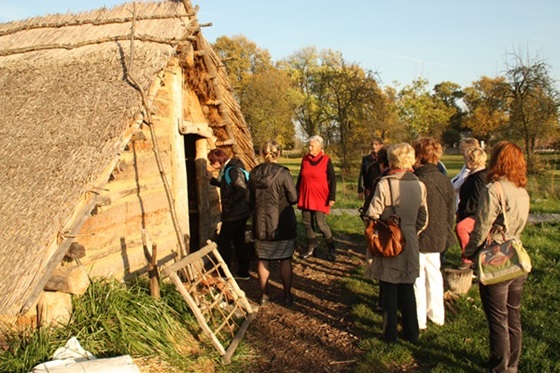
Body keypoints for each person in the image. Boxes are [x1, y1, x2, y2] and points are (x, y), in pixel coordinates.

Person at [465, 141, 530, 373]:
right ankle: (512, 364)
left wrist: (470, 251)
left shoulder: (494, 189)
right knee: (513, 313)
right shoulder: (521, 189)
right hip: (517, 255)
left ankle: (499, 366)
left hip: (496, 258)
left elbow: (481, 226)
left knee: (497, 318)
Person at [365, 143, 428, 343]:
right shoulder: (419, 185)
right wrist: (410, 231)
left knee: (389, 286)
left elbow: (372, 215)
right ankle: (412, 332)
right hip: (409, 239)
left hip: (389, 239)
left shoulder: (385, 184)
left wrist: (383, 232)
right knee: (407, 287)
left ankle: (389, 333)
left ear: (392, 160)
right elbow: (423, 218)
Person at [412, 137, 456, 330]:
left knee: (417, 277)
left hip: (420, 233)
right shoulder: (444, 179)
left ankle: (419, 319)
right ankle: (437, 316)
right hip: (439, 233)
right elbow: (450, 210)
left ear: (420, 156)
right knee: (435, 275)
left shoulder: (417, 180)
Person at [248, 141, 298, 306]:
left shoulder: (254, 173)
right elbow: (294, 198)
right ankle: (287, 295)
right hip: (281, 225)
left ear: (262, 154)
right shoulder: (283, 174)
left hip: (260, 226)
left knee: (263, 259)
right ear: (278, 154)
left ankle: (263, 295)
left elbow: (249, 201)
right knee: (285, 259)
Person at [207, 148, 251, 280]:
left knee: (224, 241)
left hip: (235, 213)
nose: (211, 164)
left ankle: (226, 273)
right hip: (241, 212)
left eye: (211, 161)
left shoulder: (231, 170)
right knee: (239, 241)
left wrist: (229, 204)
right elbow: (228, 186)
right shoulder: (231, 168)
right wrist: (213, 181)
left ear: (217, 161)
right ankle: (243, 272)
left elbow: (241, 190)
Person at [297, 135, 337, 262]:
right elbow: (300, 177)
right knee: (307, 223)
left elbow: (333, 179)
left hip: (321, 197)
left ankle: (332, 249)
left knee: (321, 224)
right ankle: (311, 247)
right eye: (308, 145)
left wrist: (332, 197)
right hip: (306, 195)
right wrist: (295, 193)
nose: (309, 148)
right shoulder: (305, 160)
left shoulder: (326, 160)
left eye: (312, 146)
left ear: (320, 147)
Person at [456, 147, 487, 268]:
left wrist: (466, 213)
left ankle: (468, 259)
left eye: (467, 159)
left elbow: (477, 198)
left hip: (475, 214)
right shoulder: (473, 175)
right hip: (468, 212)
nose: (465, 161)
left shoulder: (480, 177)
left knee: (461, 228)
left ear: (473, 161)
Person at [451, 137, 480, 210]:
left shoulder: (472, 168)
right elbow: (454, 182)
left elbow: (456, 185)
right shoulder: (465, 166)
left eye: (463, 149)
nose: (461, 152)